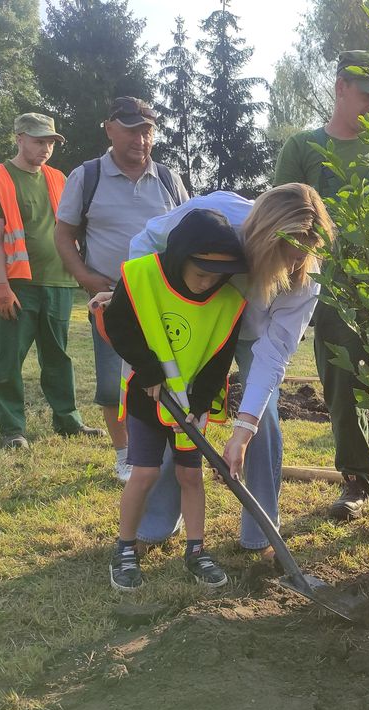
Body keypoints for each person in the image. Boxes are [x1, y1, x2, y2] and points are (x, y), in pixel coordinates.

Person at [126, 184, 334, 558]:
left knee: (264, 420)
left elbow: (274, 354)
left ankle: (261, 532)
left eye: (300, 258)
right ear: (261, 237)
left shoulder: (306, 275)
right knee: (180, 408)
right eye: (283, 256)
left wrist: (242, 431)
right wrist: (138, 303)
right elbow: (145, 242)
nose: (291, 267)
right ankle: (156, 524)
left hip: (256, 337)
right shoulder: (214, 215)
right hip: (203, 322)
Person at [273, 50, 369, 533]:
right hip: (332, 293)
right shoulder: (303, 147)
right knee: (341, 389)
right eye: (366, 94)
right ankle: (356, 480)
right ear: (340, 87)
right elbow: (287, 215)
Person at [101, 209, 246, 591]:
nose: (207, 283)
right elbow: (118, 325)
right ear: (180, 257)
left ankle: (197, 551)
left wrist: (199, 403)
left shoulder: (228, 302)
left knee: (190, 477)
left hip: (188, 406)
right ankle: (125, 548)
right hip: (146, 399)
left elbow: (219, 359)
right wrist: (148, 371)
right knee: (146, 472)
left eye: (217, 276)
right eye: (200, 273)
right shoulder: (141, 276)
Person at [54, 97, 188, 485]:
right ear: (109, 128)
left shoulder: (168, 178)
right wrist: (84, 276)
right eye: (131, 129)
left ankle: (163, 446)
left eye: (147, 130)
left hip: (161, 298)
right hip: (109, 298)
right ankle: (125, 455)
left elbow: (188, 231)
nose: (140, 139)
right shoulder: (87, 176)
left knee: (165, 374)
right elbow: (64, 234)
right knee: (114, 381)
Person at [0, 113, 101, 448]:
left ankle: (68, 421)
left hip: (58, 282)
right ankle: (13, 430)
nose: (45, 148)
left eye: (50, 142)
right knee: (8, 360)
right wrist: (1, 287)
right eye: (38, 140)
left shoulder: (60, 178)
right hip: (16, 286)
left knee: (58, 357)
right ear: (19, 138)